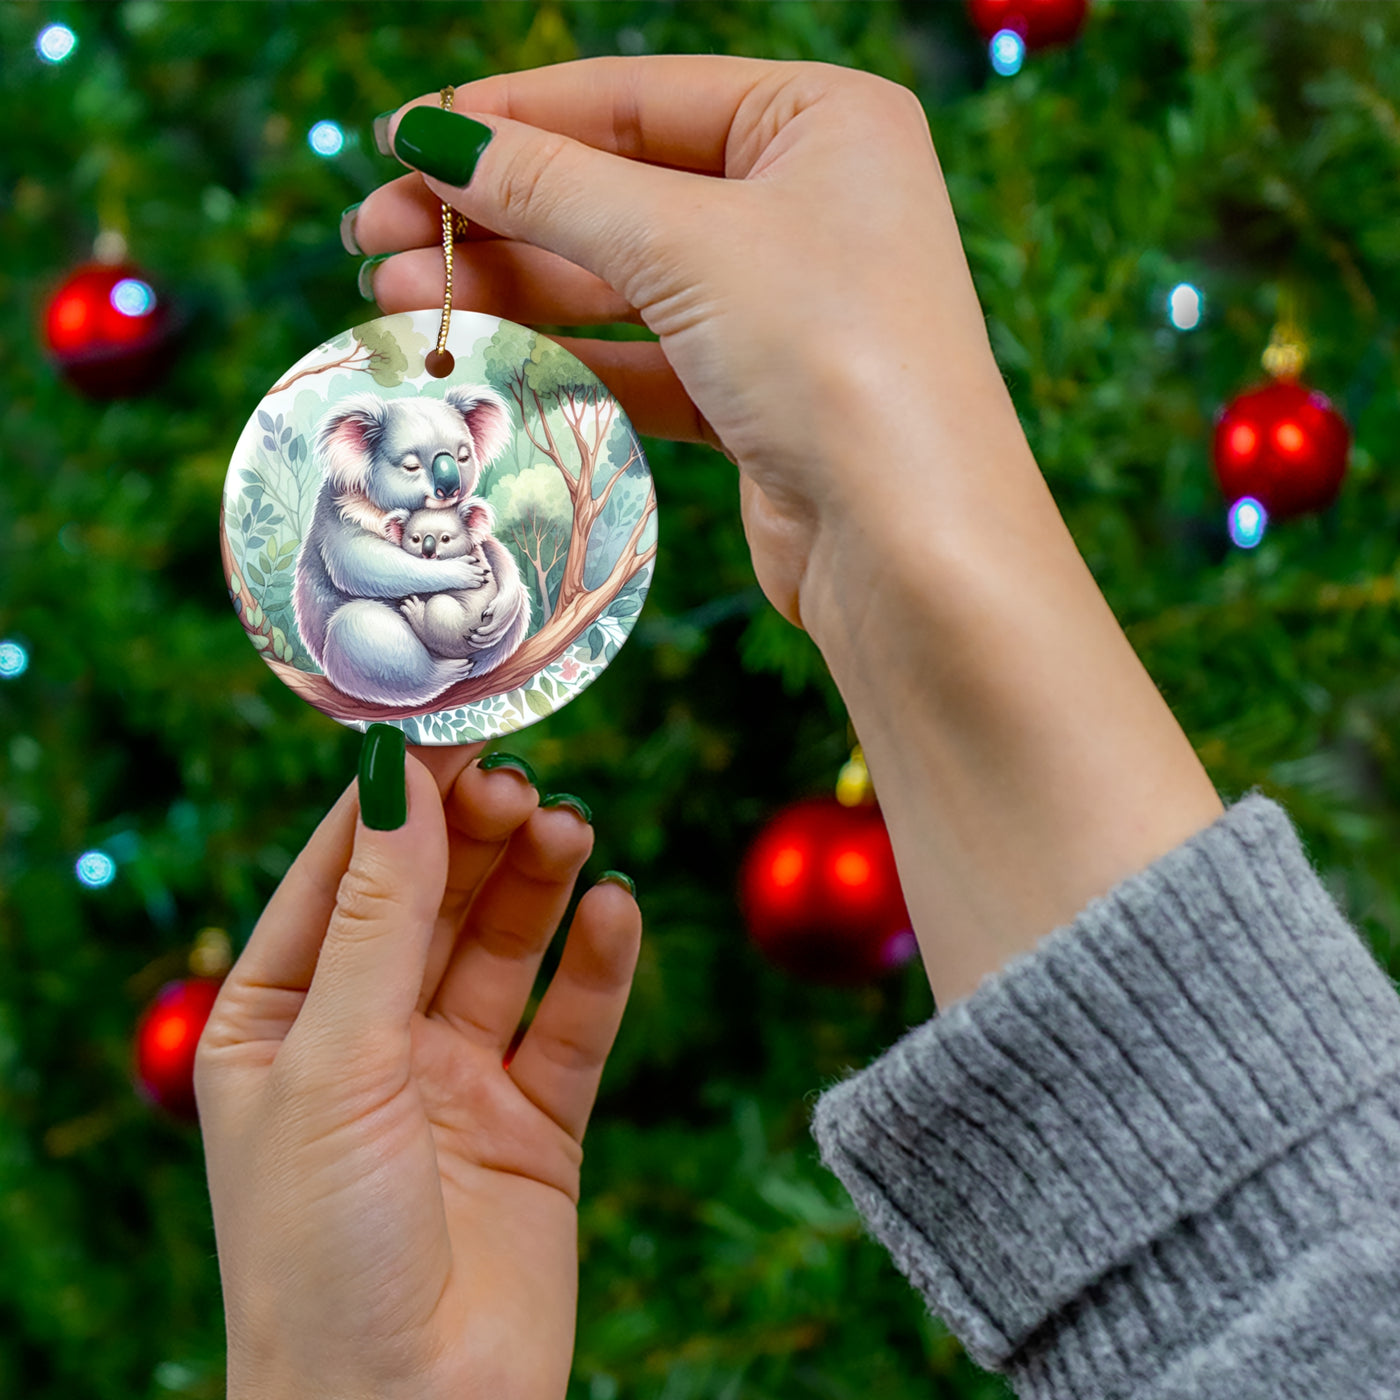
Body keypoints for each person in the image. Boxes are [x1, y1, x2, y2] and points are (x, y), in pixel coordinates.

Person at [194, 55, 1400, 1400]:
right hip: (381, 625)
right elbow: (1301, 1296)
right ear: (357, 454)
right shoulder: (350, 504)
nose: (436, 480)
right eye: (412, 463)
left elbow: (1303, 1297)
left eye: (451, 460)